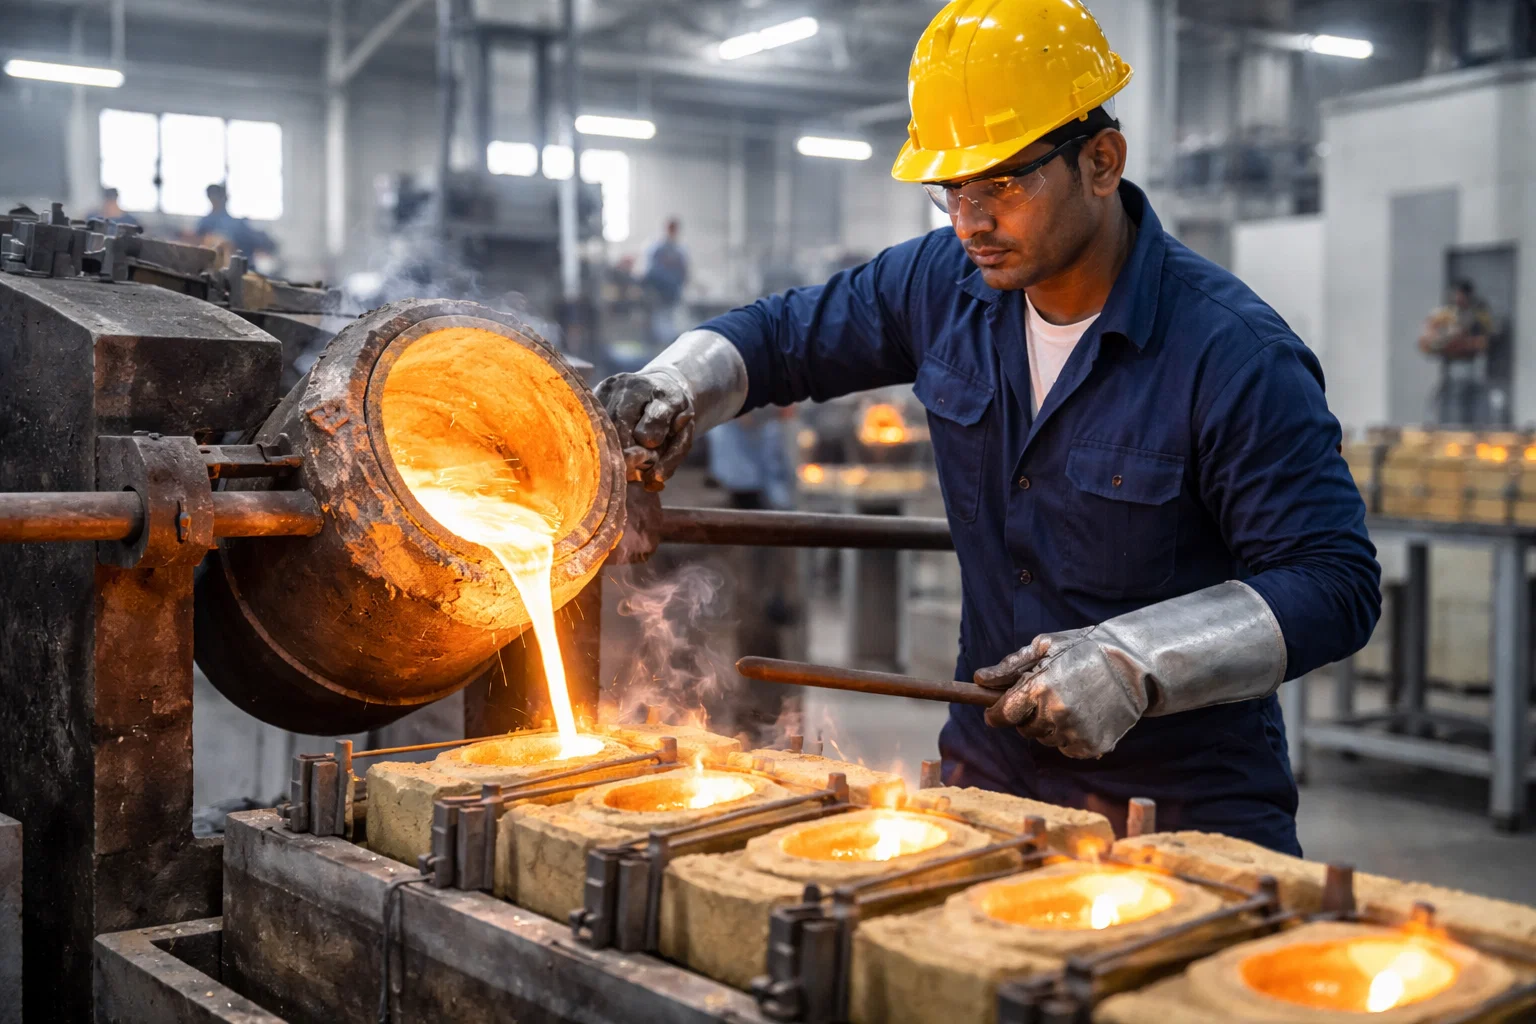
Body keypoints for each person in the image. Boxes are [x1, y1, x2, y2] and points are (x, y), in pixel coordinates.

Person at [596, 0, 1380, 854]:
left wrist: (1133, 663)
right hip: (991, 779)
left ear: (1102, 162)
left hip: (1184, 803)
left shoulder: (1232, 355)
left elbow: (1333, 580)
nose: (970, 220)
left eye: (1002, 182)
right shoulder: (945, 286)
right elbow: (783, 337)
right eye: (951, 188)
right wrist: (675, 383)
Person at [1419, 279, 1494, 425]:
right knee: (1448, 398)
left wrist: (1463, 343)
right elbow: (1428, 338)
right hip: (1452, 364)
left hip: (1472, 364)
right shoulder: (1446, 314)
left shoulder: (1478, 314)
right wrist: (1443, 342)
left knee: (1472, 400)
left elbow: (1485, 340)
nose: (1457, 298)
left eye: (1460, 295)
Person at [196, 183, 274, 264]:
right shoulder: (205, 222)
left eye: (216, 197)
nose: (214, 200)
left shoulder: (238, 225)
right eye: (213, 197)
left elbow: (264, 244)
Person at [641, 217, 689, 347]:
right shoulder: (657, 249)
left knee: (671, 322)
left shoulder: (680, 251)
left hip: (673, 294)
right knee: (660, 324)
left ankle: (669, 345)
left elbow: (684, 272)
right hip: (659, 295)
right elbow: (650, 272)